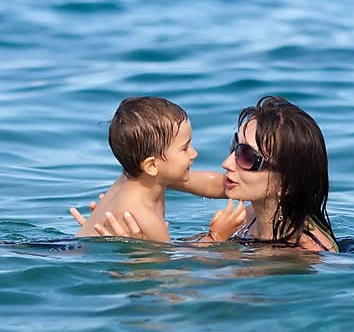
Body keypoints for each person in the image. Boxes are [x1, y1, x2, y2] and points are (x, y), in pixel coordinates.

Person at [74, 96, 339, 252]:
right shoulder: (247, 220)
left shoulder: (306, 252)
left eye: (247, 157)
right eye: (235, 147)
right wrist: (110, 230)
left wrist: (143, 249)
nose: (226, 162)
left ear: (287, 183)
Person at [74, 96, 246, 243]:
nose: (194, 154)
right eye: (185, 148)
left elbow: (210, 184)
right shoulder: (146, 217)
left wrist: (244, 184)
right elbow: (169, 268)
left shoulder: (142, 178)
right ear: (152, 165)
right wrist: (216, 236)